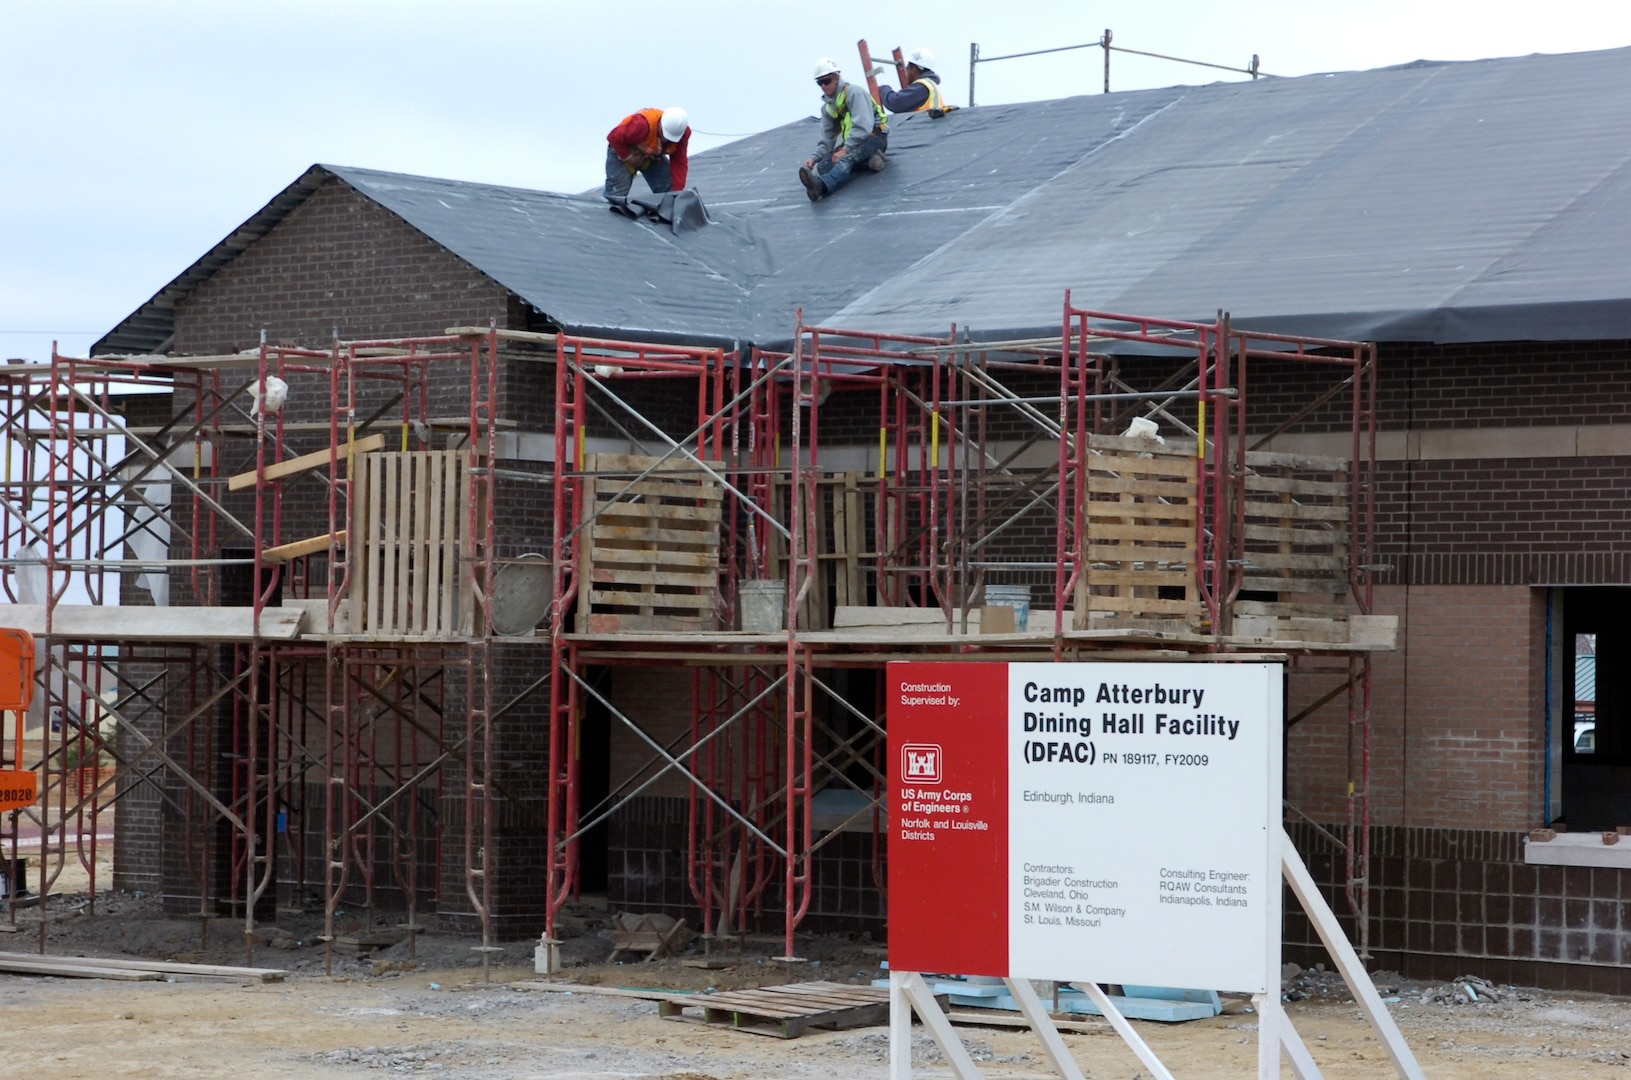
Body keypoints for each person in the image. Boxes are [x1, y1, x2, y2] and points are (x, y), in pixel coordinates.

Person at [798, 59, 888, 202]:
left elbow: (863, 127)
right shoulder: (827, 108)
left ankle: (821, 186)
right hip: (853, 144)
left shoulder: (854, 93)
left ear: (836, 78)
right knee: (824, 166)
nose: (823, 86)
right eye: (819, 83)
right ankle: (871, 160)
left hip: (874, 137)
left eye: (826, 81)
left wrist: (845, 150)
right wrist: (814, 158)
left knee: (845, 160)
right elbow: (827, 140)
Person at [604, 107, 690, 205]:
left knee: (670, 194)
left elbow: (679, 161)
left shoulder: (683, 135)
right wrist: (629, 157)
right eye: (664, 135)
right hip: (623, 151)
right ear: (660, 125)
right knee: (616, 197)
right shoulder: (641, 124)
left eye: (670, 139)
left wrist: (677, 194)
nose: (666, 141)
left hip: (651, 156)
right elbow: (613, 137)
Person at [880, 48, 951, 117]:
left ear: (914, 69)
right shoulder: (930, 85)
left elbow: (895, 103)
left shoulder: (922, 87)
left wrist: (884, 89)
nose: (906, 71)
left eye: (907, 67)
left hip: (923, 127)